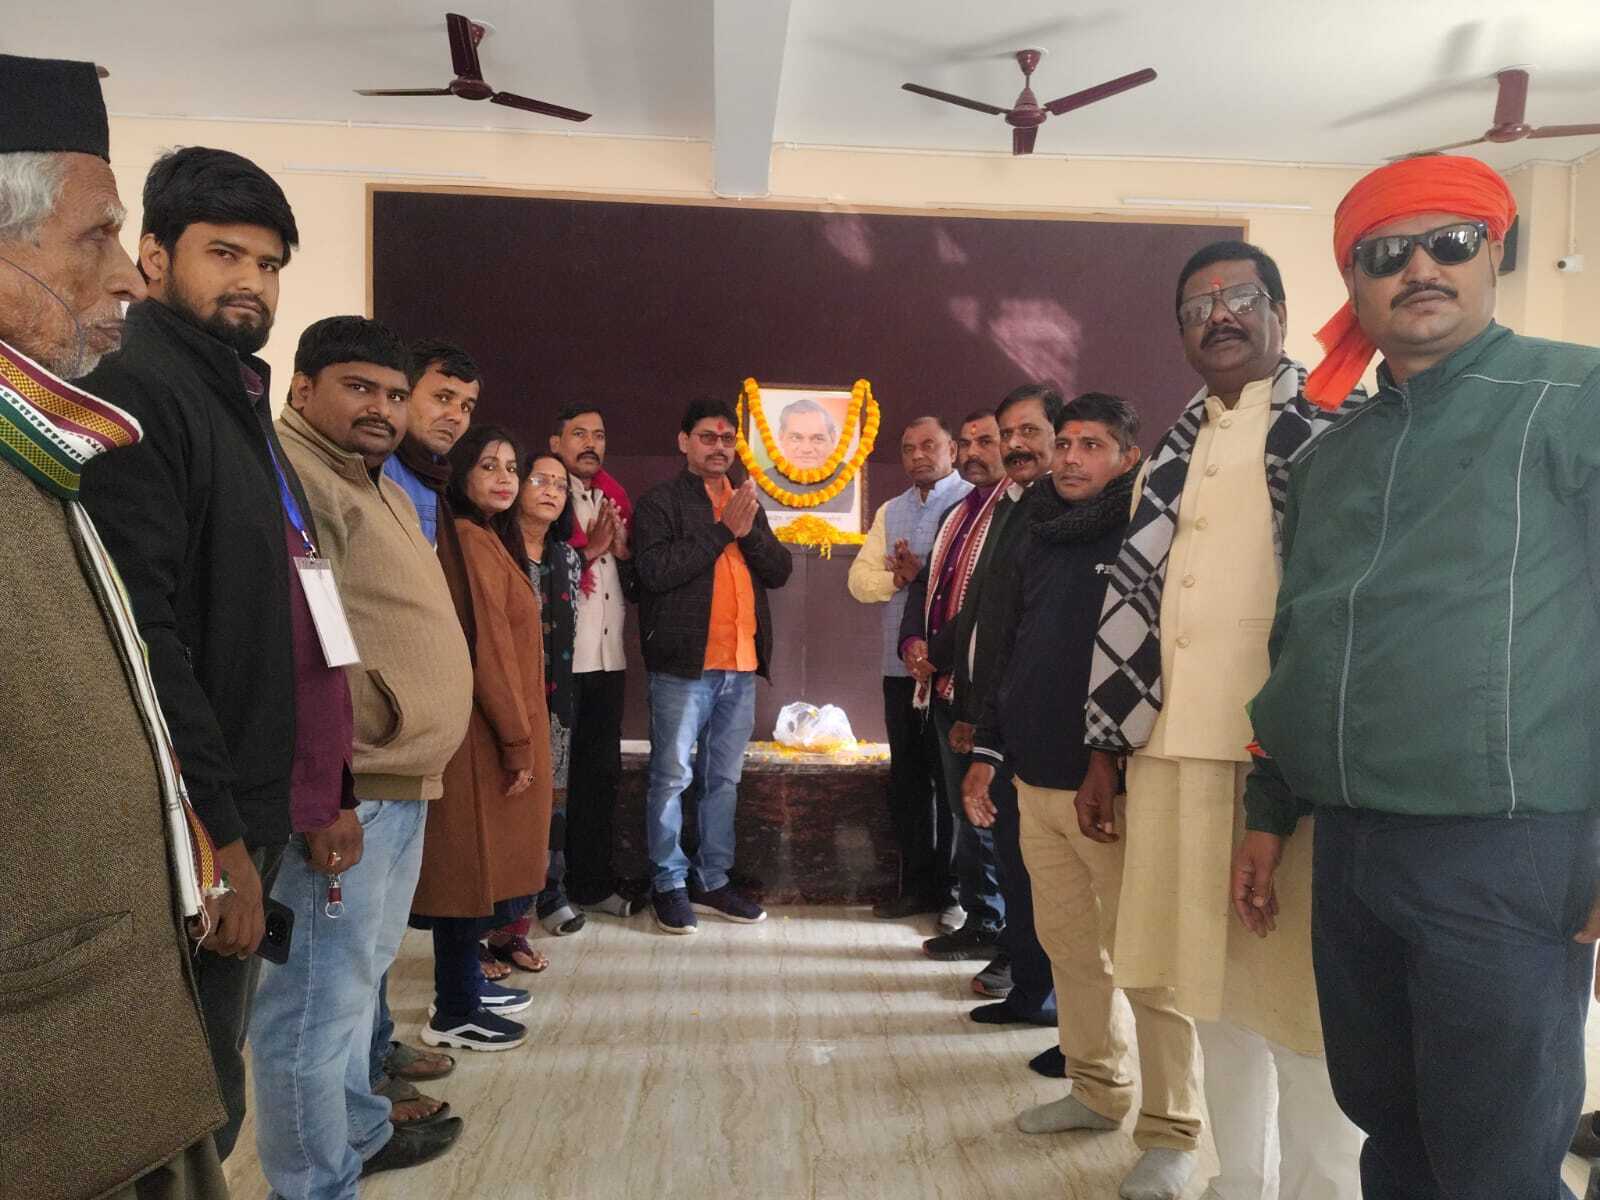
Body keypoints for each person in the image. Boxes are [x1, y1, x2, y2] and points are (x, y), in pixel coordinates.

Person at [1236, 155, 1600, 1200]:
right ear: (1354, 282)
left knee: (1496, 1161)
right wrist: (1270, 807)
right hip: (1353, 850)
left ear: (1494, 253)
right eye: (1386, 253)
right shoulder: (1329, 457)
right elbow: (1301, 639)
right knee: (1389, 1132)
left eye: (1450, 242)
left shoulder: (1572, 398)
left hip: (1506, 846)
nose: (1420, 269)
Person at [1079, 241, 1365, 1200]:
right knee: (1208, 995)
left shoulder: (1336, 427)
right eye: (1198, 307)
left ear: (1280, 311)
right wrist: (1109, 750)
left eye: (1240, 297)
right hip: (1172, 753)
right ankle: (1238, 1180)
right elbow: (1137, 604)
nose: (1220, 316)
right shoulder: (1174, 444)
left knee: (1299, 1005)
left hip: (1282, 759)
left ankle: (1321, 1190)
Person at [0, 52, 228, 1200]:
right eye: (95, 236)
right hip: (41, 1093)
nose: (129, 277)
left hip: (111, 1065)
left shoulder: (38, 448)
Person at [78, 143, 303, 1162]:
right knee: (191, 1106)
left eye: (269, 264)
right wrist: (222, 838)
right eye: (226, 254)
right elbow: (144, 635)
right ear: (156, 255)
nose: (252, 282)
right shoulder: (139, 384)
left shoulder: (228, 391)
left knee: (215, 1080)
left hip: (247, 803)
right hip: (201, 828)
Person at [257, 315, 473, 1191]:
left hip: (398, 783)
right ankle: (314, 1182)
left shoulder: (367, 477)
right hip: (351, 789)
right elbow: (297, 646)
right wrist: (329, 792)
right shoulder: (297, 477)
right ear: (303, 387)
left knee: (357, 984)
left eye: (394, 393)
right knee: (312, 1009)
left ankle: (358, 1129)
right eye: (359, 387)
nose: (382, 407)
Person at [974, 394, 1203, 1200]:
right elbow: (1011, 648)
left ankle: (1173, 1131)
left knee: (1146, 963)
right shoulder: (1039, 529)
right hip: (1035, 781)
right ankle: (1097, 1089)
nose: (1070, 457)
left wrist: (1112, 763)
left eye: (1092, 444)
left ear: (1128, 457)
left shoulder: (1148, 532)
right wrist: (989, 753)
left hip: (1113, 792)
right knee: (1070, 948)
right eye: (1065, 442)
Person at [366, 339, 484, 1120]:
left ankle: (376, 1047)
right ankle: (364, 1087)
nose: (455, 417)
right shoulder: (375, 477)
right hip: (377, 737)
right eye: (443, 398)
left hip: (416, 742)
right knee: (355, 938)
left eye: (467, 406)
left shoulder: (430, 484)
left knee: (378, 932)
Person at [412, 424, 553, 1051]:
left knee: (478, 870)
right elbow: (489, 652)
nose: (504, 477)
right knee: (469, 873)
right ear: (463, 472)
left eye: (512, 467)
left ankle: (467, 983)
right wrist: (516, 742)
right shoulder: (469, 540)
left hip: (495, 729)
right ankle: (456, 1008)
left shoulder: (487, 536)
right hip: (482, 737)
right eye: (489, 465)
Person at [634, 397, 794, 934]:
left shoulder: (745, 500)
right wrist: (723, 529)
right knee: (671, 777)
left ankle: (712, 879)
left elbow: (779, 571)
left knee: (722, 780)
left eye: (727, 439)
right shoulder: (660, 503)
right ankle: (668, 883)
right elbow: (654, 572)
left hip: (741, 668)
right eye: (708, 437)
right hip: (683, 669)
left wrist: (747, 530)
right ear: (685, 442)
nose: (719, 447)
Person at [953, 384, 1062, 1030]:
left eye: (1029, 431)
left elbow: (1032, 633)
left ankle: (1047, 998)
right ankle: (1028, 990)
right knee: (1017, 868)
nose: (1016, 445)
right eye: (1007, 433)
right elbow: (989, 621)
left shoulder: (1058, 511)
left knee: (1040, 876)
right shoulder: (1013, 507)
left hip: (1036, 730)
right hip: (1000, 721)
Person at [848, 416, 969, 923]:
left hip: (951, 670)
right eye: (908, 448)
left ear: (953, 450)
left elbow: (969, 587)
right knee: (909, 781)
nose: (918, 455)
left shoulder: (971, 504)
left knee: (953, 781)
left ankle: (957, 894)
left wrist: (921, 576)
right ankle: (918, 887)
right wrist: (898, 582)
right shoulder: (891, 510)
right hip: (898, 670)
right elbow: (859, 582)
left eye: (929, 445)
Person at [897, 411, 1008, 962]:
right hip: (943, 687)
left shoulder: (1013, 514)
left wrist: (934, 655)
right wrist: (913, 643)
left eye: (986, 441)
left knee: (983, 808)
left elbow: (988, 605)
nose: (973, 452)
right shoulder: (958, 512)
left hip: (982, 690)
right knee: (963, 807)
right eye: (966, 443)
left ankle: (996, 924)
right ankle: (980, 916)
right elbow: (926, 588)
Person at [485, 452, 587, 964]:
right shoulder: (493, 549)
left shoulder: (568, 558)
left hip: (556, 707)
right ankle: (478, 934)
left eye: (560, 485)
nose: (551, 491)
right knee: (501, 814)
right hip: (501, 704)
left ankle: (516, 927)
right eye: (540, 480)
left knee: (547, 815)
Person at [547, 402, 643, 918]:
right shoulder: (544, 494)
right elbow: (536, 570)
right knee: (553, 781)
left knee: (600, 776)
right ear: (555, 443)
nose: (590, 444)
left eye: (599, 435)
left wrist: (621, 553)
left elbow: (630, 582)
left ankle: (591, 883)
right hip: (559, 663)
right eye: (579, 434)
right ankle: (543, 891)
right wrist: (590, 549)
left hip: (607, 660)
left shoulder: (612, 498)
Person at [777, 396, 839, 469]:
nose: (806, 449)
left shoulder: (850, 474)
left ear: (833, 439)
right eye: (795, 438)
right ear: (781, 437)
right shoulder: (766, 475)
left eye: (818, 439)